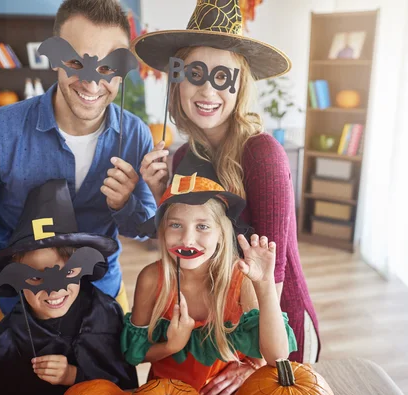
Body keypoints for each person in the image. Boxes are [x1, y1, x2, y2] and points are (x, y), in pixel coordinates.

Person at [133, 0, 320, 369]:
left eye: (222, 77)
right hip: (216, 332)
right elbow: (185, 245)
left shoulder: (262, 155)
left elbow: (272, 273)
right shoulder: (182, 154)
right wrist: (160, 196)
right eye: (194, 74)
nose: (207, 91)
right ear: (176, 79)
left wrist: (251, 362)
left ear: (240, 86)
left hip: (273, 329)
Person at [0, 0, 156, 318]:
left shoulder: (136, 135)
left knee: (106, 370)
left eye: (108, 67)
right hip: (26, 306)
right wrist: (21, 254)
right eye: (75, 60)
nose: (92, 81)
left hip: (103, 297)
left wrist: (123, 204)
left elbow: (143, 225)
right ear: (55, 59)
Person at [121, 151, 297, 395]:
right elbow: (135, 353)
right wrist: (173, 345)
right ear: (162, 229)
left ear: (221, 233)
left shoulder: (240, 278)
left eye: (202, 226)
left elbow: (277, 357)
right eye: (175, 225)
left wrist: (265, 284)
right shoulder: (151, 279)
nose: (187, 239)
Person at [0, 180, 139, 395]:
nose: (54, 291)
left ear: (81, 266)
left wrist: (75, 375)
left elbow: (126, 388)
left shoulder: (106, 314)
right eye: (36, 277)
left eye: (67, 273)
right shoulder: (6, 342)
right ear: (15, 276)